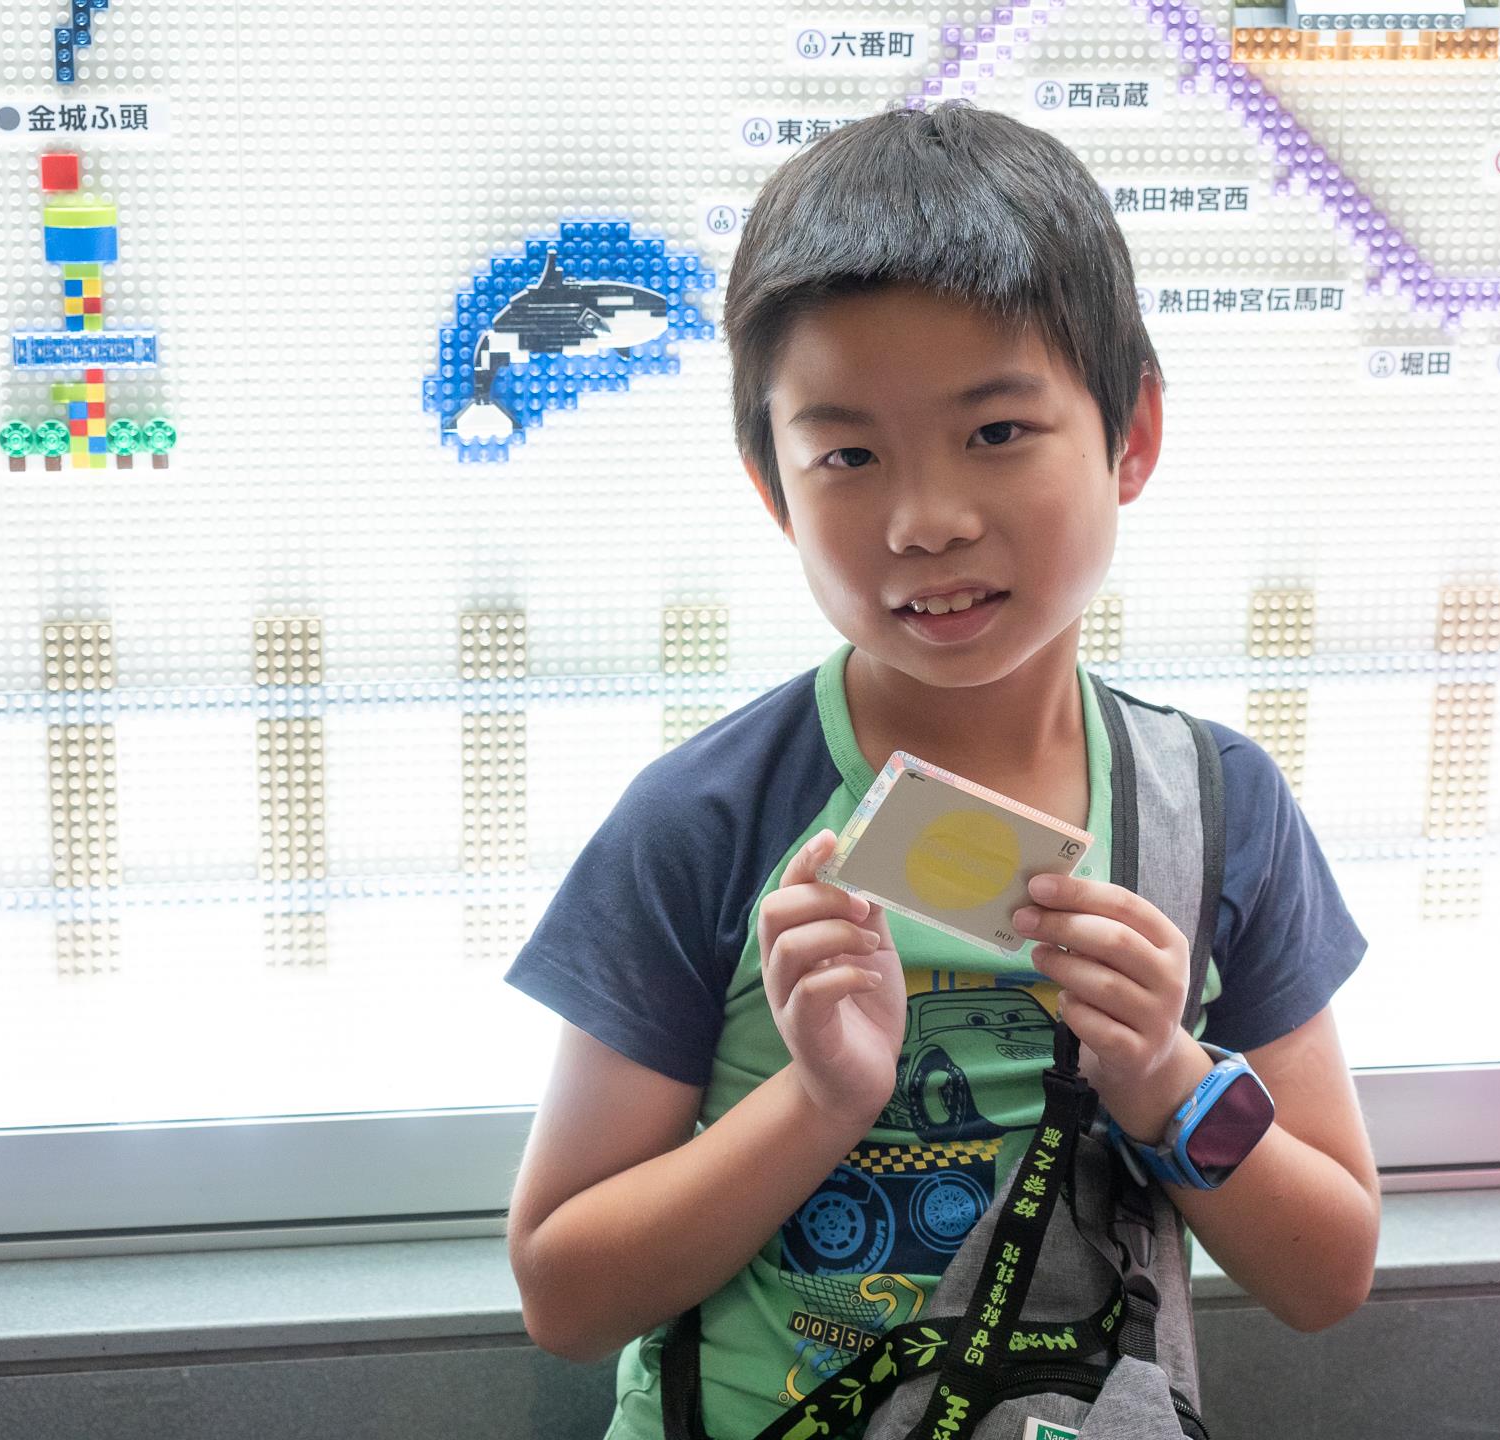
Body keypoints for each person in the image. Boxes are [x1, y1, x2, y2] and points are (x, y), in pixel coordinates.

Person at [504, 102, 1380, 1440]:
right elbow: (565, 1296)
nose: (925, 521)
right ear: (773, 485)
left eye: (997, 432)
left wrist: (1165, 1075)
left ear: (1132, 433)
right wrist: (819, 1103)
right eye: (848, 456)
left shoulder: (1215, 807)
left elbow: (1328, 1276)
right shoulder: (705, 820)